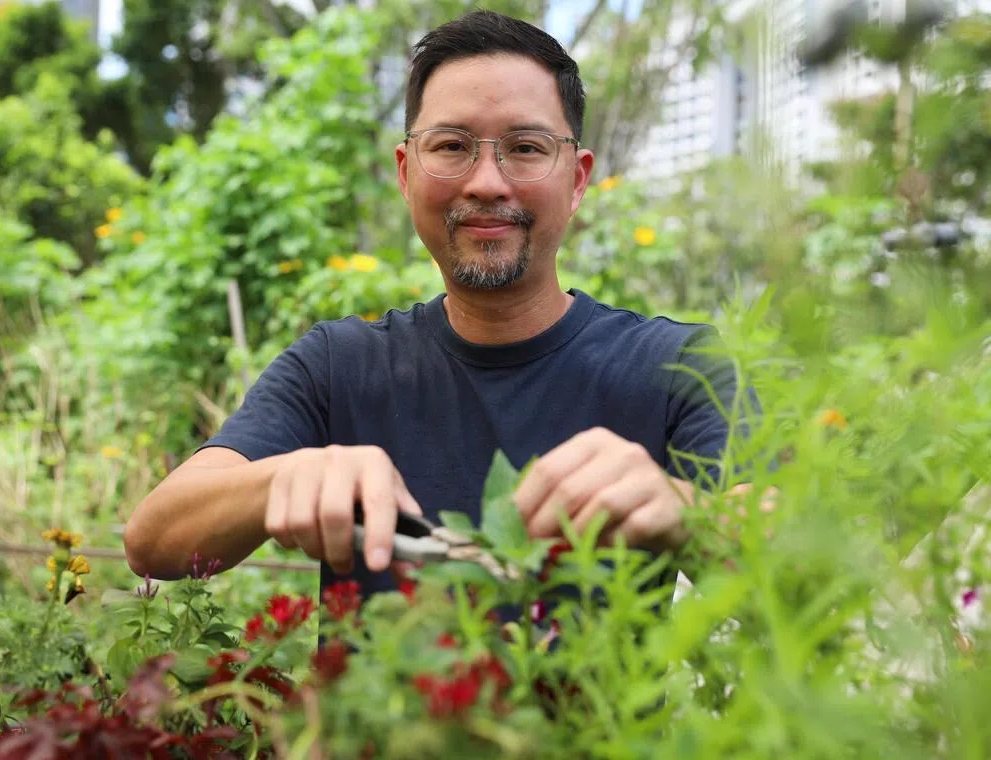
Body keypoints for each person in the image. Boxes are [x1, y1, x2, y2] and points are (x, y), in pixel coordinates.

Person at [123, 10, 760, 601]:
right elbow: (153, 540)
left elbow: (796, 559)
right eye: (452, 146)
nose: (487, 182)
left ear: (578, 178)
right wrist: (279, 482)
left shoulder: (679, 365)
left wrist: (687, 513)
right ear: (406, 173)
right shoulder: (338, 365)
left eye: (527, 148)